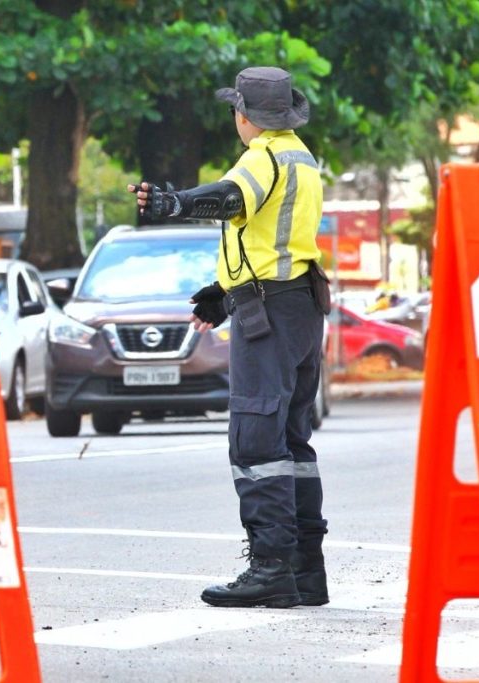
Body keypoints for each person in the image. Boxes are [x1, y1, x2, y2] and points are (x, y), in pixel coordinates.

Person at [128, 66, 330, 609]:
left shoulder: (261, 157)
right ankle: (307, 572)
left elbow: (232, 198)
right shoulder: (302, 157)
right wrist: (226, 290)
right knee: (291, 441)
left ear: (245, 115)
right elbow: (276, 240)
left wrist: (174, 204)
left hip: (273, 312)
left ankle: (271, 570)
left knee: (256, 439)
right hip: (301, 305)